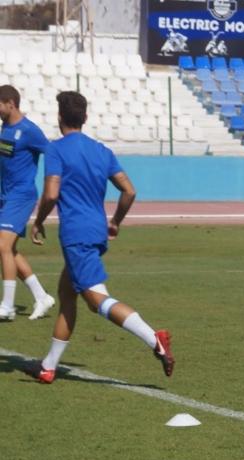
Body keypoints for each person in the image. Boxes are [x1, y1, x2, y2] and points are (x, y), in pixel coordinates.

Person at [30, 91, 173, 383]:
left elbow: (52, 193)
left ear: (59, 118)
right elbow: (129, 190)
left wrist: (39, 220)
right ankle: (49, 366)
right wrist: (116, 222)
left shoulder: (56, 150)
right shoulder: (102, 151)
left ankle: (153, 338)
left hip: (75, 234)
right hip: (96, 230)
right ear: (85, 118)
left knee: (96, 300)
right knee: (66, 292)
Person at [0, 84, 55, 321]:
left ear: (10, 103)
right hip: (4, 195)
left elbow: (51, 153)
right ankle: (41, 296)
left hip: (21, 195)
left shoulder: (30, 130)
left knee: (2, 246)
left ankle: (8, 306)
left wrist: (56, 182)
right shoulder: (5, 128)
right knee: (9, 249)